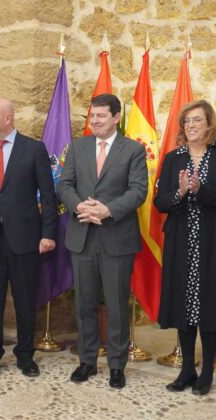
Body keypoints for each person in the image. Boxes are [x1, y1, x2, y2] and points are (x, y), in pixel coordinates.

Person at [57, 93, 147, 389]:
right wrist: (79, 206)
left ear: (116, 118)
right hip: (82, 234)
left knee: (117, 304)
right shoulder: (78, 147)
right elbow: (65, 184)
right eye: (91, 116)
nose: (94, 121)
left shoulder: (133, 150)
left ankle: (117, 366)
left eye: (100, 116)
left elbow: (138, 191)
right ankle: (87, 361)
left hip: (116, 237)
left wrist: (108, 210)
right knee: (84, 302)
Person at [0, 97, 57, 380]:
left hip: (26, 240)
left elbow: (49, 196)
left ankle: (25, 356)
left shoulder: (34, 149)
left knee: (25, 301)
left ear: (8, 118)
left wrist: (48, 234)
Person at [154, 100, 216, 395]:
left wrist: (200, 189)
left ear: (209, 125)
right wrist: (178, 192)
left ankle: (207, 372)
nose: (191, 126)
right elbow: (160, 202)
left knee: (210, 303)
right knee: (184, 302)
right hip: (180, 241)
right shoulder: (173, 158)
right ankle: (187, 368)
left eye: (197, 121)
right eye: (187, 121)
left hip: (214, 242)